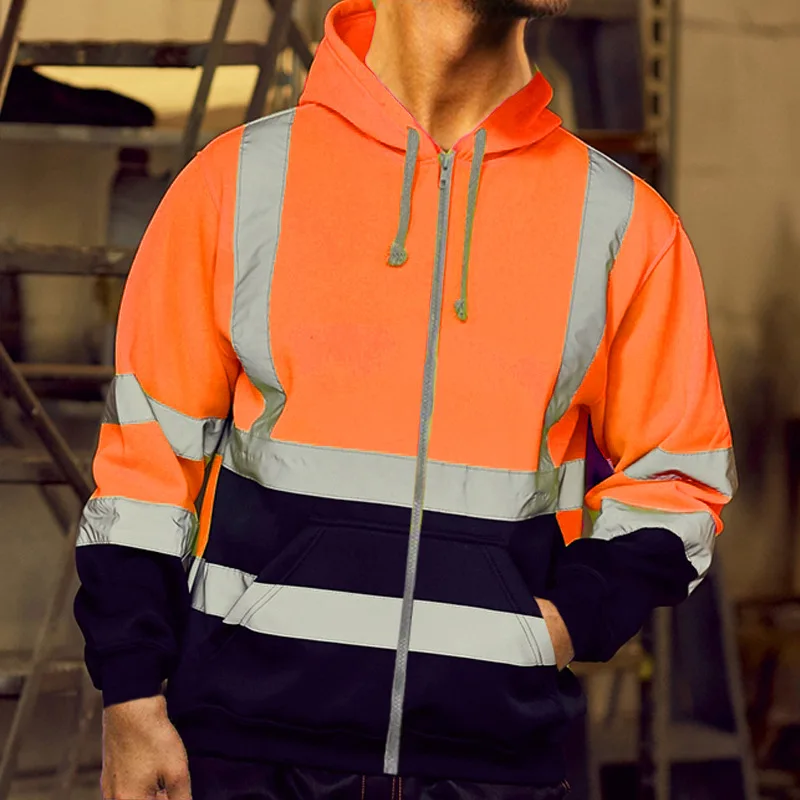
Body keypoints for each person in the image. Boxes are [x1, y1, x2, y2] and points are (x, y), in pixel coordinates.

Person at [74, 0, 737, 797]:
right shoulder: (238, 185)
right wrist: (131, 699)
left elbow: (679, 483)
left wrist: (564, 621)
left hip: (491, 763)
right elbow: (144, 480)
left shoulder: (625, 225)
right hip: (249, 758)